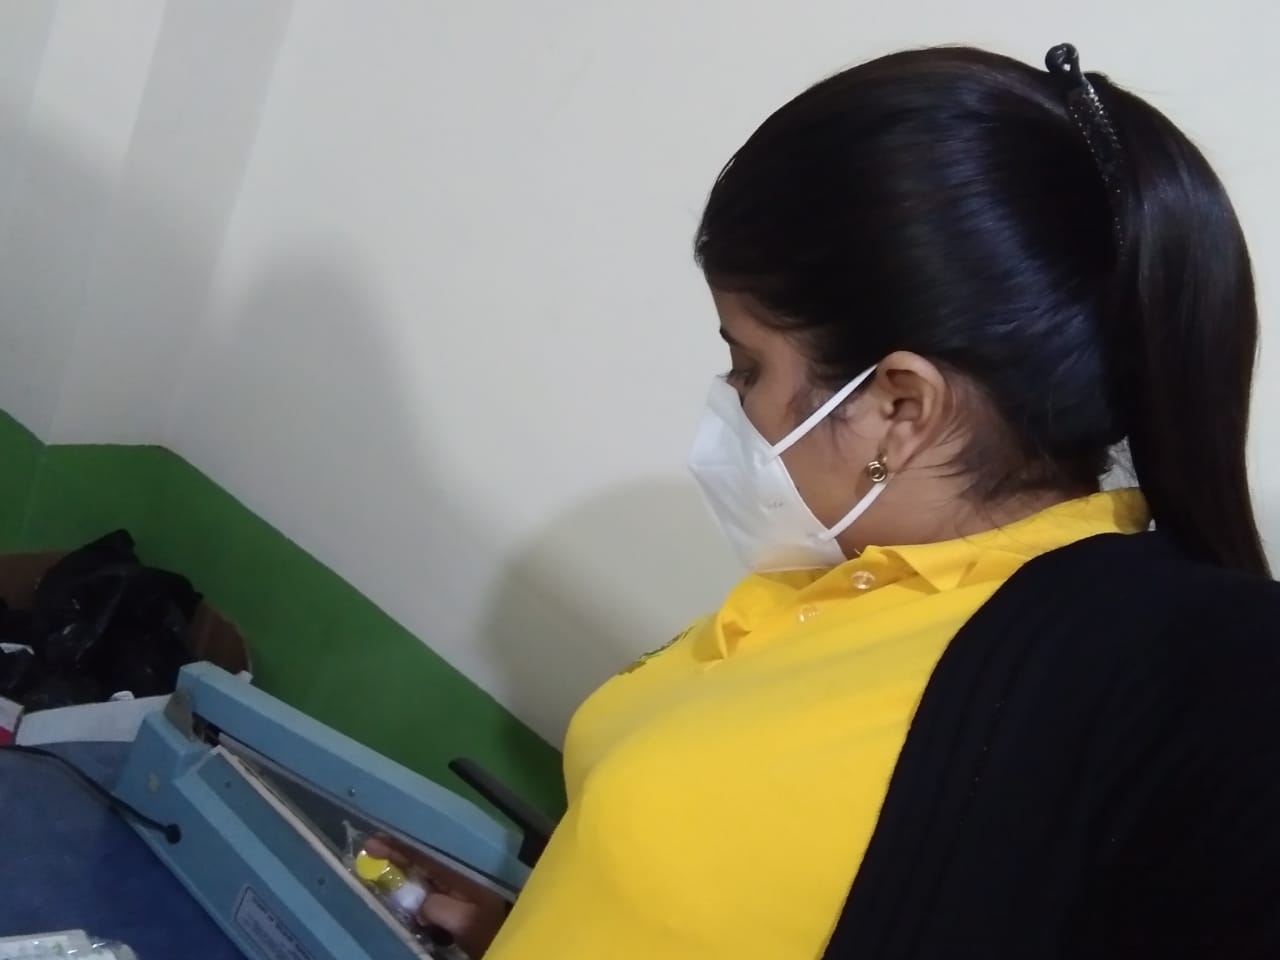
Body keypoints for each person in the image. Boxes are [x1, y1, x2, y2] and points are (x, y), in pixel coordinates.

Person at [377, 42, 1280, 957]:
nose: (730, 402)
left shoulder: (1108, 688)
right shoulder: (856, 579)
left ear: (899, 408)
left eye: (748, 366)